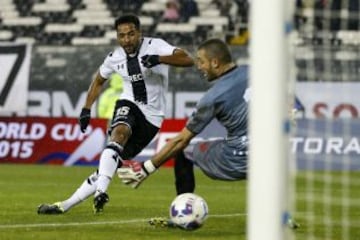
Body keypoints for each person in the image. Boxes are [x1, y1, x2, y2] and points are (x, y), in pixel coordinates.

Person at [37, 14, 194, 215]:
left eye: (131, 34)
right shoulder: (114, 58)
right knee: (118, 133)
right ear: (117, 37)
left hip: (152, 120)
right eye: (122, 36)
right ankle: (99, 193)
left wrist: (158, 59)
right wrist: (86, 109)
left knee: (109, 167)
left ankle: (66, 204)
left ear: (139, 33)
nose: (126, 40)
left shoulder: (156, 46)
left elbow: (187, 59)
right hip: (129, 104)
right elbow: (98, 80)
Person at [118, 38, 249, 199]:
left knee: (184, 152)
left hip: (239, 158)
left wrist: (146, 168)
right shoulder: (253, 72)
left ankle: (184, 208)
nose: (199, 67)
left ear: (215, 62)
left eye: (201, 62)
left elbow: (181, 140)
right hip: (272, 153)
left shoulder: (213, 97)